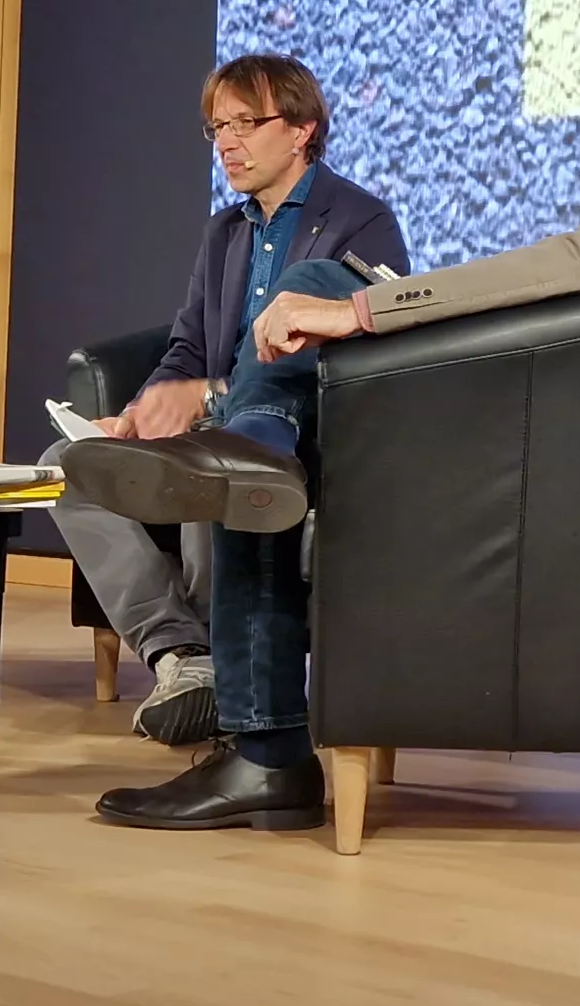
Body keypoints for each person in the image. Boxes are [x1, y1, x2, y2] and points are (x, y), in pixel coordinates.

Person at [61, 0, 580, 830]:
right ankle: (254, 454)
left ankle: (265, 748)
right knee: (275, 435)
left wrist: (371, 311)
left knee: (315, 315)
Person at [51, 53, 408, 747]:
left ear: (302, 129)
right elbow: (187, 346)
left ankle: (215, 668)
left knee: (209, 457)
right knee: (71, 460)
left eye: (247, 123)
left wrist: (205, 397)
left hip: (302, 426)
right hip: (214, 417)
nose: (227, 143)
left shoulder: (360, 219)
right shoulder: (225, 231)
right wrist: (145, 408)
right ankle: (182, 657)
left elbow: (365, 348)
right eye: (217, 127)